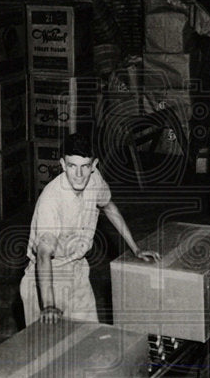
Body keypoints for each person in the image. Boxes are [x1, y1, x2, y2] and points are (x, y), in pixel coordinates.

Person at [20, 132, 159, 326]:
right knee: (47, 352)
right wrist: (49, 305)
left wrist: (135, 248)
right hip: (46, 279)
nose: (78, 175)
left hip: (77, 271)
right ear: (62, 165)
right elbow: (43, 255)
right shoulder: (51, 200)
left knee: (88, 340)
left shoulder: (95, 181)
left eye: (84, 166)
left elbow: (109, 207)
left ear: (94, 166)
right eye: (72, 166)